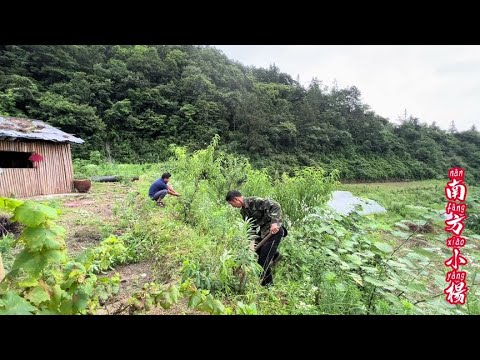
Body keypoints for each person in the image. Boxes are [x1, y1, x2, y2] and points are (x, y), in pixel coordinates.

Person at [226, 190, 286, 287]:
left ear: (236, 199)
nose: (232, 206)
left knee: (262, 262)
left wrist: (274, 222)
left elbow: (275, 205)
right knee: (258, 254)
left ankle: (268, 287)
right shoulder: (244, 212)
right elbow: (251, 229)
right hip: (263, 234)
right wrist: (251, 247)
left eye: (232, 204)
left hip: (273, 232)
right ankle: (275, 255)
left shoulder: (255, 201)